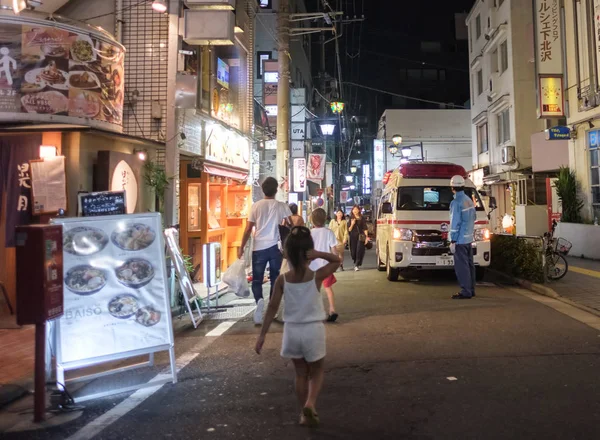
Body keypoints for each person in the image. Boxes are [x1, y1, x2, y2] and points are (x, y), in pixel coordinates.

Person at [255, 226, 340, 427]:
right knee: (317, 370)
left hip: (292, 331)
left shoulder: (282, 280)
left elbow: (272, 308)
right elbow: (337, 261)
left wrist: (262, 335)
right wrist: (319, 253)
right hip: (313, 331)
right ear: (308, 254)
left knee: (301, 373)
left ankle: (304, 413)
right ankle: (311, 403)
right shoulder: (316, 276)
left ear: (287, 254)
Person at [239, 177, 293, 324]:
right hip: (274, 248)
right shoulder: (281, 205)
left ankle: (259, 301)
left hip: (258, 248)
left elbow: (248, 229)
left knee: (257, 280)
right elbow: (291, 225)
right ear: (276, 190)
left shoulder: (256, 206)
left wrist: (241, 247)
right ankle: (272, 309)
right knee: (275, 280)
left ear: (263, 190)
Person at [449, 175, 477, 299]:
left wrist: (453, 239)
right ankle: (471, 289)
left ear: (452, 187)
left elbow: (455, 223)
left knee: (462, 266)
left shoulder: (456, 202)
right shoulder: (469, 200)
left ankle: (465, 291)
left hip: (460, 239)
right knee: (470, 265)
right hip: (469, 238)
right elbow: (474, 218)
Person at [311, 208, 339, 322]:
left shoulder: (309, 233)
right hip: (326, 266)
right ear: (325, 219)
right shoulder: (329, 232)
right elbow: (334, 251)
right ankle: (332, 310)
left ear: (312, 220)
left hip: (312, 266)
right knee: (328, 288)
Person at [348, 205, 369, 271]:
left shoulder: (362, 218)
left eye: (356, 209)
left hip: (360, 236)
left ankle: (357, 264)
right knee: (353, 251)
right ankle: (355, 261)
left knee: (359, 250)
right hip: (353, 237)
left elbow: (365, 228)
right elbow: (349, 229)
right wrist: (352, 224)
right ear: (352, 210)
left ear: (359, 210)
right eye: (354, 209)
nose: (355, 211)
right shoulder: (351, 218)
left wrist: (366, 238)